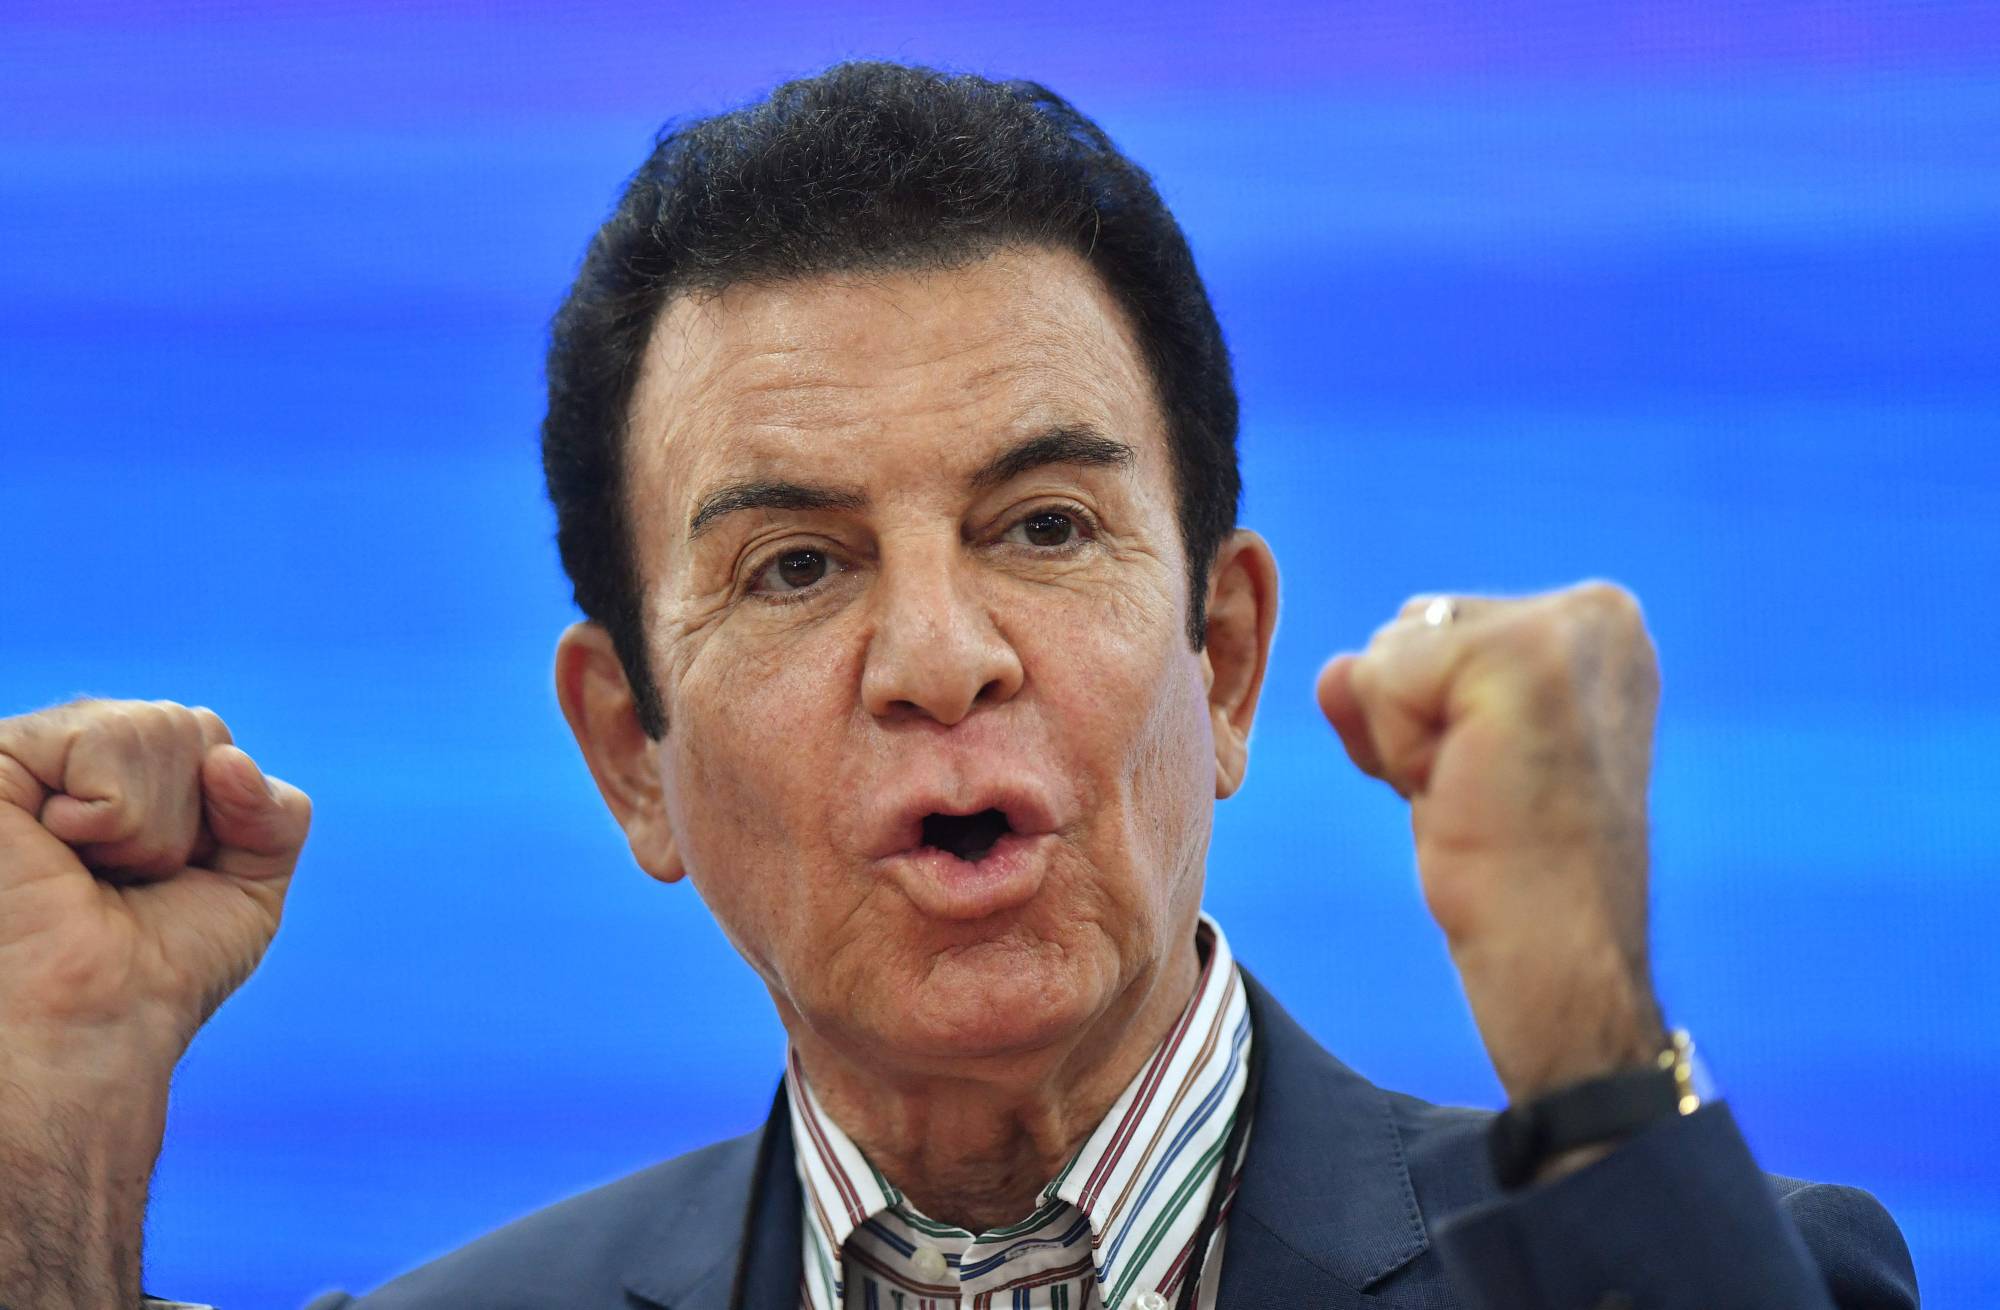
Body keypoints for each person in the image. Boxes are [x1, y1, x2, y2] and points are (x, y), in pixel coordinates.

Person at [0, 62, 1915, 1310]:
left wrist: (1591, 1060)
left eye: (1045, 527)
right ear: (632, 750)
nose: (940, 657)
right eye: (798, 564)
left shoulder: (1674, 1257)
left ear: (1226, 660)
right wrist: (52, 1147)